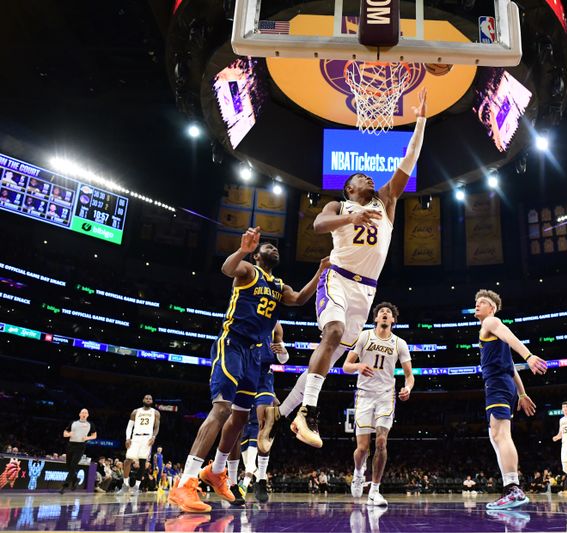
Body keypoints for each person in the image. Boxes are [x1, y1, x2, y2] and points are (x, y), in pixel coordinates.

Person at [285, 89, 428, 449]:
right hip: (337, 277)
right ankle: (307, 413)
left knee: (331, 355)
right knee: (331, 333)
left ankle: (283, 411)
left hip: (367, 290)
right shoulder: (338, 204)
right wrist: (354, 216)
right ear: (349, 188)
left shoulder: (387, 200)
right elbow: (318, 226)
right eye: (360, 177)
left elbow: (410, 156)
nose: (367, 177)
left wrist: (422, 120)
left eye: (368, 177)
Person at [168, 228, 327, 513]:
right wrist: (242, 248)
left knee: (240, 419)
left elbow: (301, 298)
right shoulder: (248, 270)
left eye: (277, 248)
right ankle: (185, 483)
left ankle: (216, 472)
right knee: (221, 410)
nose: (274, 249)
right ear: (256, 254)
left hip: (255, 355)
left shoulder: (278, 285)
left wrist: (321, 271)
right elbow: (227, 267)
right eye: (268, 246)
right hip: (232, 344)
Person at [473, 289, 548, 510]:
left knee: (500, 434)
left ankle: (513, 489)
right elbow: (512, 367)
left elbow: (508, 334)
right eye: (476, 302)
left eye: (483, 302)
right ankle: (510, 489)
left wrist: (529, 355)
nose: (478, 305)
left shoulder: (491, 322)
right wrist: (522, 393)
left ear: (492, 308)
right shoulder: (490, 332)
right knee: (495, 436)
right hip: (505, 383)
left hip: (496, 383)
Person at [342, 302, 414, 507]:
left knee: (381, 442)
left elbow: (409, 376)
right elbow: (346, 366)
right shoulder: (364, 336)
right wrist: (358, 365)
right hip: (364, 395)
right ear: (375, 319)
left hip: (385, 396)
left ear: (393, 320)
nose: (384, 314)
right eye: (381, 312)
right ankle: (358, 473)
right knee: (362, 449)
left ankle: (375, 490)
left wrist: (407, 388)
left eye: (388, 313)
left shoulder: (399, 343)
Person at [228, 323, 288, 505]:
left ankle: (261, 479)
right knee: (234, 430)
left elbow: (283, 359)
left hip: (264, 377)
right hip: (243, 374)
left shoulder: (276, 325)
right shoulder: (244, 315)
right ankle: (232, 483)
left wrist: (282, 350)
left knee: (266, 424)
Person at [120, 394, 160, 493]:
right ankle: (125, 484)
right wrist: (127, 438)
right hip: (136, 437)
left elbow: (156, 427)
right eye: (146, 398)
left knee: (143, 463)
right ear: (143, 400)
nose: (148, 399)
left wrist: (154, 437)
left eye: (150, 398)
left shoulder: (155, 412)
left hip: (147, 438)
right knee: (127, 460)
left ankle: (136, 487)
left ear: (152, 401)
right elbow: (129, 426)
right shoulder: (136, 411)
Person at [61, 408, 96, 493]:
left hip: (81, 446)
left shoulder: (90, 424)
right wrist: (68, 434)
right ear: (79, 414)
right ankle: (75, 479)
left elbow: (94, 435)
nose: (84, 414)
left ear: (87, 415)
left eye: (86, 413)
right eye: (82, 412)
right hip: (71, 444)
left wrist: (87, 437)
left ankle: (65, 486)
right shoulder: (73, 423)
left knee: (73, 465)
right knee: (68, 465)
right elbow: (64, 433)